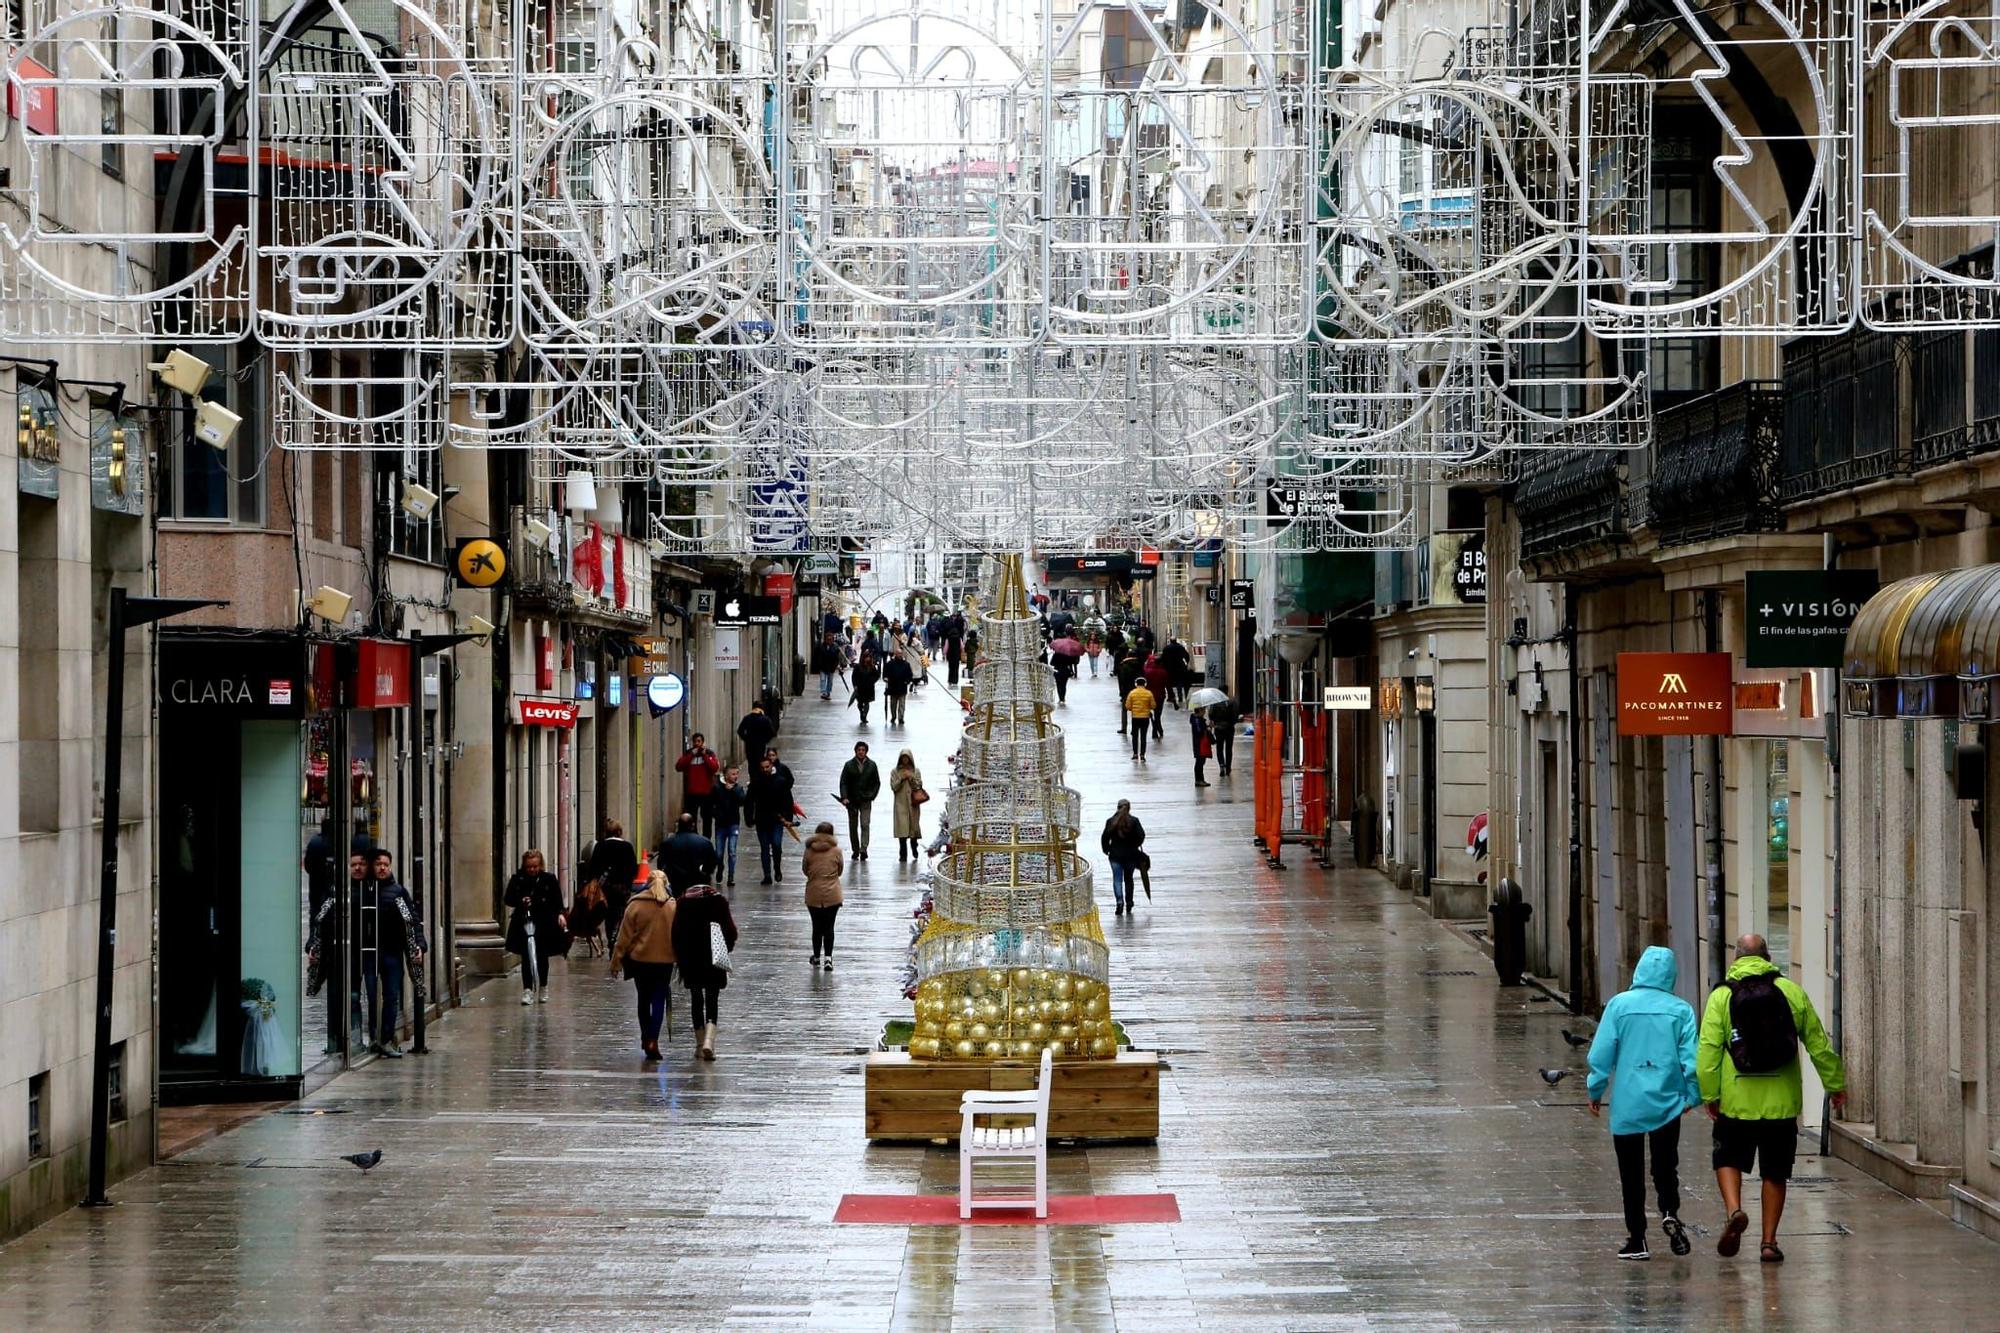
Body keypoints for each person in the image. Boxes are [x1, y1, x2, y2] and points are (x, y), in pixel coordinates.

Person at [1697, 933, 1846, 1263]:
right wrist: (1834, 1085)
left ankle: (1735, 1209)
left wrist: (1709, 1094)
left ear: (1737, 959)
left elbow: (1707, 1050)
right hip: (1780, 1101)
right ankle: (1768, 1242)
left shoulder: (1722, 997)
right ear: (1767, 957)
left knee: (1728, 1158)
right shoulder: (1791, 993)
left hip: (1736, 1099)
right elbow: (1819, 1044)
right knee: (1775, 1171)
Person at [1587, 946, 1701, 1261]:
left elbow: (1601, 1055)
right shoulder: (1681, 1010)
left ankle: (1637, 1239)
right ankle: (1669, 1209)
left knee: (1631, 1172)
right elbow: (1692, 1060)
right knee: (1666, 1165)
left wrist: (1595, 1090)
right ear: (1671, 975)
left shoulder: (1619, 1007)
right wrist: (1693, 1095)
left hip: (1628, 1102)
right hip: (1666, 1100)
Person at [609, 870, 676, 1061]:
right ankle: (653, 1039)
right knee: (658, 1001)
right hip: (664, 962)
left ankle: (645, 1036)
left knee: (643, 1000)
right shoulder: (672, 906)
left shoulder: (635, 905)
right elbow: (678, 936)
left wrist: (616, 962)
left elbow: (623, 939)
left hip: (640, 960)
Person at [362, 849, 422, 1057]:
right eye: (378, 864)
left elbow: (411, 920)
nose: (382, 868)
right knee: (369, 996)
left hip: (392, 952)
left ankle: (386, 1038)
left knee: (391, 996)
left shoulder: (397, 892)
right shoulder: (364, 891)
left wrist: (418, 946)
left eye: (386, 864)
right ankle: (371, 1037)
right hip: (369, 953)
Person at [671, 881, 738, 1060]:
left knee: (696, 998)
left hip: (690, 959)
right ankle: (710, 1041)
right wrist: (726, 947)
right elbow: (731, 931)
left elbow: (675, 933)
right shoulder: (719, 902)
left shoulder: (683, 903)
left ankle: (700, 1044)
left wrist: (679, 955)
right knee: (712, 998)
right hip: (713, 958)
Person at [503, 850, 568, 1006]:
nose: (532, 870)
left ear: (541, 865)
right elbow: (508, 899)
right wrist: (521, 900)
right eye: (529, 867)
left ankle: (543, 986)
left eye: (535, 866)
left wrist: (560, 914)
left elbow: (557, 901)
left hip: (544, 922)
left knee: (542, 955)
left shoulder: (549, 879)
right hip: (524, 921)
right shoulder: (517, 879)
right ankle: (527, 990)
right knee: (526, 956)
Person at [585, 820, 639, 952]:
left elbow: (593, 869)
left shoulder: (600, 846)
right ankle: (616, 935)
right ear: (620, 832)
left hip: (605, 888)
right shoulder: (627, 847)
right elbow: (633, 869)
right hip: (622, 887)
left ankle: (611, 937)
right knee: (619, 912)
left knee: (608, 914)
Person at [748, 750, 797, 884]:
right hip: (761, 819)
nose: (765, 770)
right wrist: (749, 818)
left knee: (776, 845)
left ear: (771, 766)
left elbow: (788, 801)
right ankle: (767, 874)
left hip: (777, 819)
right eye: (763, 768)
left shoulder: (780, 782)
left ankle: (777, 867)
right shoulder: (756, 783)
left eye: (767, 767)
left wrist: (788, 819)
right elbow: (749, 801)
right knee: (764, 847)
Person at [802, 821, 844, 969]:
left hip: (813, 893)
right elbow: (840, 871)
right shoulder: (837, 851)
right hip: (832, 894)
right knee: (829, 927)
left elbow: (805, 869)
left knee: (816, 927)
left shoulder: (809, 850)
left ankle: (816, 957)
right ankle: (828, 958)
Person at [656, 812, 719, 897]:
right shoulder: (705, 842)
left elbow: (660, 864)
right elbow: (712, 864)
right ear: (693, 825)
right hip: (698, 884)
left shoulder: (667, 843)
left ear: (678, 825)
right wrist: (704, 872)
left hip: (676, 884)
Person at [1100, 800, 1146, 916]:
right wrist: (1134, 845)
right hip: (1131, 855)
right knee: (1129, 879)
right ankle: (1129, 902)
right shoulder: (1134, 821)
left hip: (1115, 855)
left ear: (1117, 807)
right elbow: (1141, 836)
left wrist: (1107, 850)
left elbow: (1105, 838)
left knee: (1117, 879)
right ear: (1129, 808)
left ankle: (1119, 902)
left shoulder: (1111, 821)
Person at [838, 740, 882, 861]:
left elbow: (876, 783)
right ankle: (855, 849)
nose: (861, 752)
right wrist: (844, 797)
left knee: (865, 824)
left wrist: (872, 795)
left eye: (863, 750)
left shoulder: (872, 765)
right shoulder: (849, 765)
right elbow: (843, 782)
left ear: (866, 751)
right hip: (852, 800)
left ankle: (864, 848)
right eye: (859, 750)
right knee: (853, 826)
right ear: (855, 751)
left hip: (866, 800)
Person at [675, 734, 723, 838]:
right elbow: (679, 766)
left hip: (706, 793)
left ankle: (706, 839)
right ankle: (693, 836)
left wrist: (705, 756)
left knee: (707, 818)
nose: (697, 744)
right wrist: (691, 755)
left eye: (699, 741)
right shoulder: (689, 754)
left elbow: (714, 767)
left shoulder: (709, 753)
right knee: (692, 817)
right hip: (692, 792)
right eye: (695, 741)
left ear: (702, 742)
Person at [711, 765, 746, 887]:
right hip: (721, 825)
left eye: (736, 774)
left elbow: (742, 801)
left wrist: (733, 790)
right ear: (725, 775)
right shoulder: (717, 788)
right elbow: (711, 803)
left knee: (732, 851)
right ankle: (720, 867)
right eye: (733, 774)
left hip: (733, 824)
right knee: (719, 852)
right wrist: (715, 815)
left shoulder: (738, 788)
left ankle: (731, 876)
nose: (735, 777)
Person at [889, 749, 925, 863]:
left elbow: (918, 786)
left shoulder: (916, 771)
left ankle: (914, 846)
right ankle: (903, 854)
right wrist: (901, 778)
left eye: (907, 758)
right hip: (901, 804)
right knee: (902, 831)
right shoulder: (895, 772)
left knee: (913, 829)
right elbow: (894, 787)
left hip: (913, 804)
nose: (905, 760)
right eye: (903, 758)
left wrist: (911, 777)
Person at [735, 703, 777, 769]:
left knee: (751, 763)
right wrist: (765, 740)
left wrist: (746, 739)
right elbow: (772, 732)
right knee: (760, 762)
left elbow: (740, 731)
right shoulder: (765, 719)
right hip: (760, 745)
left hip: (749, 745)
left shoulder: (747, 718)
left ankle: (752, 777)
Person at [1208, 695, 1241, 776]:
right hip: (1229, 728)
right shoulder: (1232, 701)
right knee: (1228, 748)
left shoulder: (1215, 702)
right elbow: (1236, 714)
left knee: (1219, 748)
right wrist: (1232, 723)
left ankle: (1222, 766)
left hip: (1219, 728)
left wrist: (1215, 721)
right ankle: (1228, 767)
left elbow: (1211, 714)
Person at [1125, 677, 1156, 759]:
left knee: (1135, 736)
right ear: (1145, 684)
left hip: (1135, 717)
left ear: (1136, 684)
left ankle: (1135, 753)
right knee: (1143, 736)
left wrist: (1133, 709)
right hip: (1145, 717)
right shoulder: (1149, 693)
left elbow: (1127, 706)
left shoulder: (1132, 693)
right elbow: (1153, 706)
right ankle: (1142, 754)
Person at [1114, 650, 1143, 735]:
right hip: (1138, 690)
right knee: (1136, 710)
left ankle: (1124, 728)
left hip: (1126, 691)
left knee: (1124, 710)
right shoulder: (1139, 665)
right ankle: (1135, 728)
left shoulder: (1123, 666)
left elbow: (1121, 680)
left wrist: (1122, 691)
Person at [1142, 653, 1170, 738]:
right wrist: (1171, 696)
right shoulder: (1163, 672)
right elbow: (1167, 685)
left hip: (1149, 696)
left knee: (1151, 713)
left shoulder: (1147, 672)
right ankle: (1156, 729)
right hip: (1160, 696)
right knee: (1158, 714)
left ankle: (1156, 727)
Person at [883, 649, 914, 725]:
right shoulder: (890, 664)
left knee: (902, 704)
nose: (900, 655)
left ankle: (901, 718)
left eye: (901, 653)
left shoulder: (906, 664)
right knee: (893, 704)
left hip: (902, 687)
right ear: (895, 654)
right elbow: (885, 674)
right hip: (893, 687)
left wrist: (907, 681)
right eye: (898, 653)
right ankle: (893, 716)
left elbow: (910, 675)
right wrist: (886, 678)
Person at [850, 652, 881, 725]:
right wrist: (855, 685)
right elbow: (854, 676)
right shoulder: (858, 667)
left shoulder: (872, 667)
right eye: (866, 657)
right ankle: (861, 712)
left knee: (867, 702)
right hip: (860, 687)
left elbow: (877, 675)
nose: (867, 659)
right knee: (860, 703)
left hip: (869, 688)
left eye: (869, 657)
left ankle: (864, 715)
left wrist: (872, 681)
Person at [813, 632, 843, 700]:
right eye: (827, 639)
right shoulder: (821, 646)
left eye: (830, 639)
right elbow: (817, 655)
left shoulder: (835, 647)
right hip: (822, 666)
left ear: (832, 640)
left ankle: (828, 692)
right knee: (823, 679)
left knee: (830, 681)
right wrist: (818, 664)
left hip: (831, 667)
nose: (829, 641)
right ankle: (824, 693)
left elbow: (838, 658)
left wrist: (837, 666)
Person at [1191, 710, 1213, 787]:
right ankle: (1199, 780)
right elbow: (1199, 732)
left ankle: (1200, 779)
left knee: (1201, 761)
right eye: (1203, 709)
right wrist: (1207, 729)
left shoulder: (1198, 719)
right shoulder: (1197, 720)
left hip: (1200, 743)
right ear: (1200, 711)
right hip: (1199, 744)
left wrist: (1208, 727)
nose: (1205, 711)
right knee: (1200, 761)